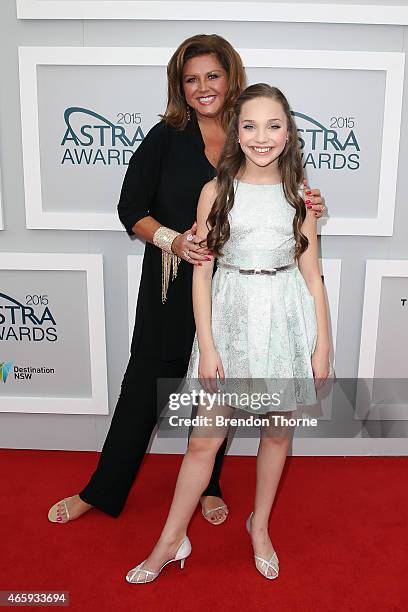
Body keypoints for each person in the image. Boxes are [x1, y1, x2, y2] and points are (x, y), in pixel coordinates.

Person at [47, 36, 325, 527]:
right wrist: (174, 241)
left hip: (238, 292)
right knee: (142, 388)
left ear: (230, 76)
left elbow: (280, 199)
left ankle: (210, 485)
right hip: (175, 282)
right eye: (191, 79)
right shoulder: (166, 136)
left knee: (219, 390)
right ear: (180, 86)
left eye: (212, 76)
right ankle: (102, 489)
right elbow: (131, 209)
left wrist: (309, 204)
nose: (202, 88)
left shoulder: (251, 132)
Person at [125, 83, 331, 584]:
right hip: (232, 316)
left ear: (289, 132)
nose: (262, 137)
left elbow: (311, 273)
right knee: (202, 443)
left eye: (274, 125)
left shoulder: (299, 193)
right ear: (237, 132)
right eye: (251, 126)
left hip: (285, 317)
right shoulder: (216, 191)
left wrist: (322, 343)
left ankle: (259, 526)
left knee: (277, 435)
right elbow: (202, 273)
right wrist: (209, 345)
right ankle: (172, 538)